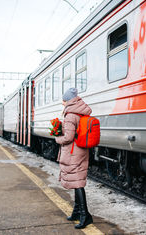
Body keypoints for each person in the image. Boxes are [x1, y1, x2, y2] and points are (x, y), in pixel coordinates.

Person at [55, 87, 93, 229]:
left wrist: (57, 138)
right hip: (80, 150)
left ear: (68, 101)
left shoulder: (71, 115)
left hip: (73, 152)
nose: (63, 103)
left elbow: (68, 137)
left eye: (63, 101)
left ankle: (85, 215)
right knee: (77, 180)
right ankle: (77, 212)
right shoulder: (80, 111)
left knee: (77, 183)